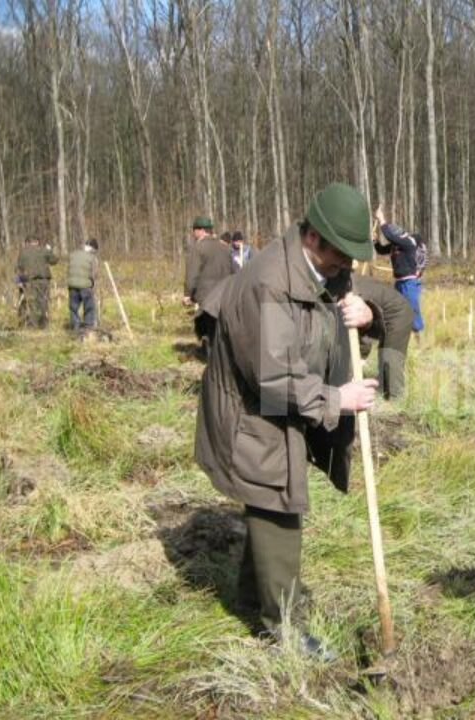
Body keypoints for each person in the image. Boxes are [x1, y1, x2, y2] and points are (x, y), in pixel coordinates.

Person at [194, 182, 412, 659]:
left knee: (269, 503)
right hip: (252, 416)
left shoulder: (318, 266)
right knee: (277, 501)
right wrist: (338, 398)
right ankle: (286, 631)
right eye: (341, 255)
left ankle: (251, 599)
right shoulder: (269, 282)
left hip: (280, 407)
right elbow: (275, 379)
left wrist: (365, 314)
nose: (347, 266)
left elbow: (377, 307)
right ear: (314, 237)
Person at [373, 204, 425, 334]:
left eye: (393, 237)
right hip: (399, 282)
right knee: (397, 307)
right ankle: (402, 331)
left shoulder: (408, 242)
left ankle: (418, 332)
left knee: (412, 307)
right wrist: (375, 241)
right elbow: (381, 250)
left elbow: (389, 236)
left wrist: (381, 219)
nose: (392, 241)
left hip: (409, 282)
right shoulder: (394, 245)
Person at [183, 216, 233, 309]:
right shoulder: (226, 249)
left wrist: (187, 295)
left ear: (201, 230)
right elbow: (232, 272)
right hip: (225, 295)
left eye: (194, 229)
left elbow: (192, 274)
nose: (193, 233)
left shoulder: (197, 248)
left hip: (206, 297)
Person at [15, 236, 58, 328]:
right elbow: (54, 260)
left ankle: (33, 325)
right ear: (37, 242)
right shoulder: (44, 250)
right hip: (44, 280)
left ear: (28, 242)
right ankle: (43, 324)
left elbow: (19, 268)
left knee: (32, 303)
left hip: (30, 281)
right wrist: (49, 250)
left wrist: (19, 281)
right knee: (44, 302)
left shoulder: (23, 252)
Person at [66, 238, 99, 332]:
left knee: (73, 308)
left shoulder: (73, 254)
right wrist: (93, 284)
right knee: (89, 307)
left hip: (72, 285)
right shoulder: (92, 257)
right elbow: (94, 274)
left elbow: (69, 269)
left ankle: (75, 327)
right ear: (94, 248)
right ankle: (88, 327)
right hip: (85, 286)